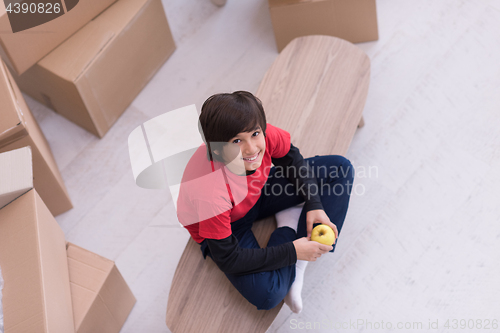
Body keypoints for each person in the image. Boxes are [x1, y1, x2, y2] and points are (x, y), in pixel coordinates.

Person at [176, 91, 354, 313]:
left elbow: (291, 157)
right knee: (270, 295)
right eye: (237, 141)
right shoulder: (209, 192)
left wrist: (314, 203)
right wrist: (291, 251)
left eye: (255, 134)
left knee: (340, 168)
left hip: (257, 194)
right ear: (218, 149)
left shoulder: (261, 135)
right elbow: (229, 258)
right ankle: (289, 228)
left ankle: (299, 264)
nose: (251, 148)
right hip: (229, 226)